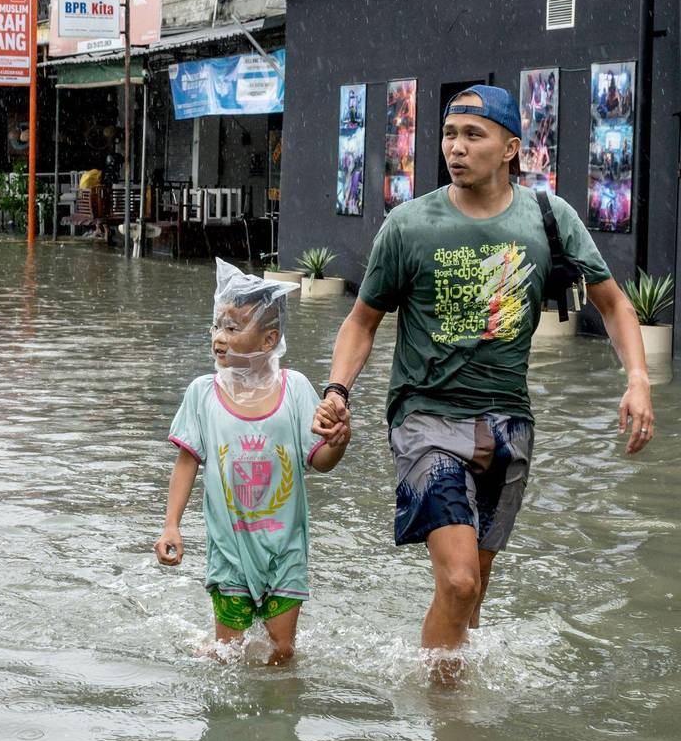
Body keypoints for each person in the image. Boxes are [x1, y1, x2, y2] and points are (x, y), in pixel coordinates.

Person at [312, 85, 654, 682]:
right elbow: (361, 321)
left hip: (508, 424)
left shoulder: (548, 217)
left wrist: (639, 380)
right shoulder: (409, 225)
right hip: (425, 417)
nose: (457, 147)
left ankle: (452, 697)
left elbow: (614, 304)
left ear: (511, 149)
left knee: (472, 595)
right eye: (450, 134)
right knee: (459, 580)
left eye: (474, 135)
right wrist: (337, 391)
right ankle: (444, 721)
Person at [155, 259, 351, 664]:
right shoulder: (202, 393)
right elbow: (187, 462)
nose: (219, 338)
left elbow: (319, 460)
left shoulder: (295, 389)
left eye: (232, 328)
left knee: (282, 652)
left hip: (285, 548)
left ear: (269, 339)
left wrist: (339, 441)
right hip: (229, 549)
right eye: (217, 325)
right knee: (229, 655)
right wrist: (171, 524)